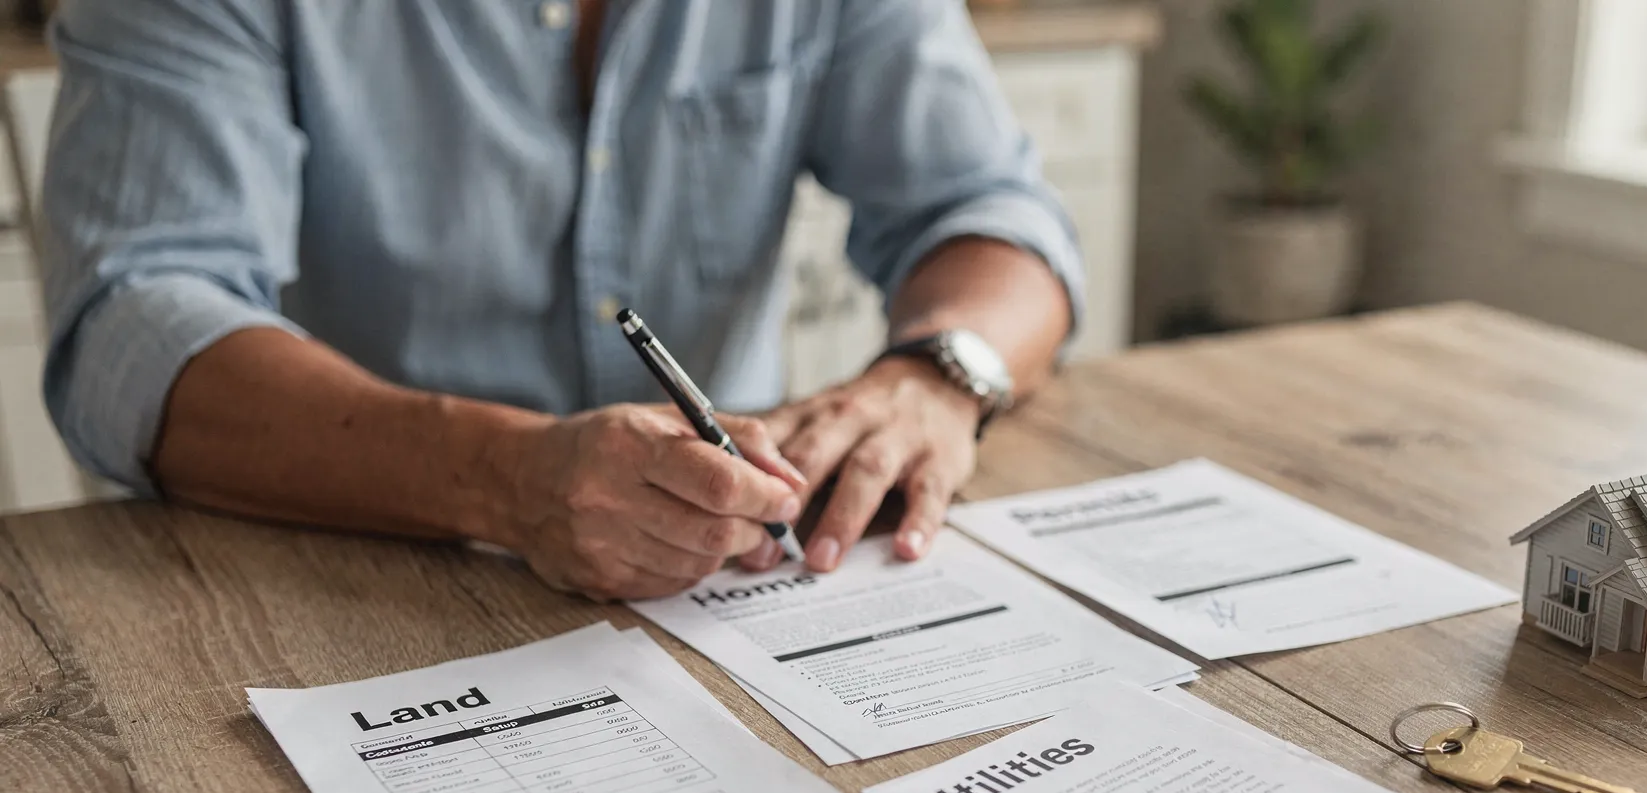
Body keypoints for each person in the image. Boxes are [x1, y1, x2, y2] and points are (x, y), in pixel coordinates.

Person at [39, 0, 1080, 599]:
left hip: (733, 575)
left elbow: (990, 208)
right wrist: (506, 475)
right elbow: (134, 327)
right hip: (347, 574)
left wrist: (940, 374)